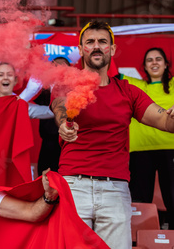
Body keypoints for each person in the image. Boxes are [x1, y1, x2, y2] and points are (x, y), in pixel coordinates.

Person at [51, 21, 174, 248]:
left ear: (113, 49)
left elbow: (164, 121)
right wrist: (63, 125)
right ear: (80, 50)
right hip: (74, 186)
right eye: (90, 42)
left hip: (115, 190)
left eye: (102, 42)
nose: (96, 46)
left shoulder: (128, 92)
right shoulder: (66, 85)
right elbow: (59, 108)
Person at [120, 47, 174, 229]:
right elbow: (109, 72)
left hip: (170, 148)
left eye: (159, 59)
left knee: (173, 197)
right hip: (140, 152)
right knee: (139, 199)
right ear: (144, 66)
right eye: (150, 60)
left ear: (166, 64)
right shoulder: (133, 85)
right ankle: (137, 239)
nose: (154, 63)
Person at [34, 57, 70, 176]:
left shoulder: (76, 92)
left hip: (67, 146)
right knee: (45, 183)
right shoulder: (42, 91)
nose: (58, 70)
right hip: (47, 147)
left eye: (62, 67)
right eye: (54, 67)